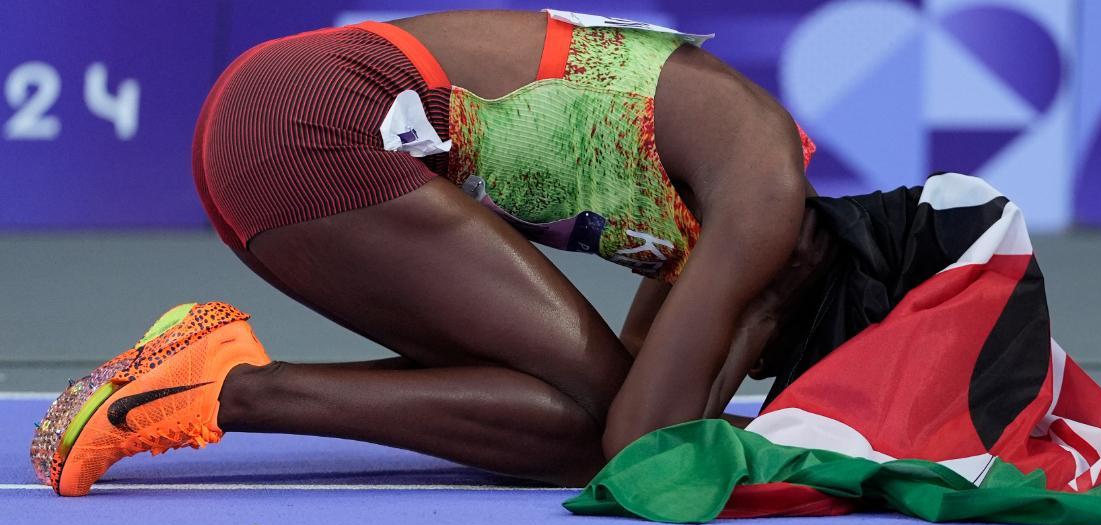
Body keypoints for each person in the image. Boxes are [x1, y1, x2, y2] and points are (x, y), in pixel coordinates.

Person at [31, 9, 833, 496]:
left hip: (276, 123)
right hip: (311, 123)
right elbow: (639, 445)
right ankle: (230, 389)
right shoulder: (766, 201)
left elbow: (628, 380)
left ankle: (213, 380)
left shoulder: (730, 217)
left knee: (574, 420)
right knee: (591, 440)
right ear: (809, 279)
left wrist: (731, 349)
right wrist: (760, 317)